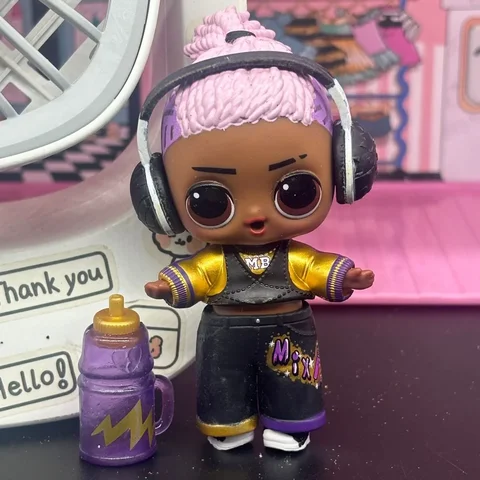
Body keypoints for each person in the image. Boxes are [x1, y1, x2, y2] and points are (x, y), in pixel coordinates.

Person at [132, 6, 376, 453]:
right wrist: (171, 285)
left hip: (290, 329)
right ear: (161, 196)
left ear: (343, 169)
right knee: (221, 383)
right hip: (224, 332)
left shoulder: (292, 258)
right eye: (210, 200)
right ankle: (228, 423)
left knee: (294, 382)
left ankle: (292, 421)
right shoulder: (218, 261)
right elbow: (199, 273)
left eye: (295, 191)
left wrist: (344, 277)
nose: (256, 214)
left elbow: (314, 268)